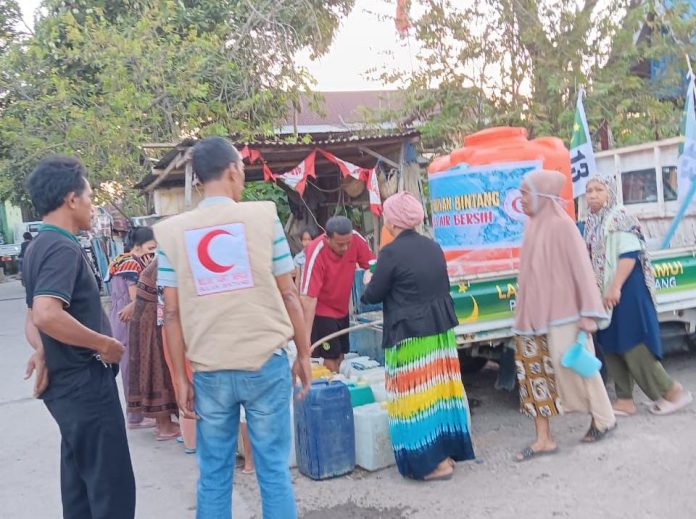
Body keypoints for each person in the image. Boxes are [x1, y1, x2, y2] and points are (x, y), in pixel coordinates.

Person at [154, 137, 312, 519]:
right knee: (273, 471)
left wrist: (179, 378)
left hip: (210, 370)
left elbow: (171, 315)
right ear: (232, 171)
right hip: (265, 364)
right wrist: (305, 353)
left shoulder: (171, 233)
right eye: (241, 172)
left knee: (213, 473)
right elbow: (289, 294)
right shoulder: (262, 217)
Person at [22, 155, 135, 518]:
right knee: (111, 490)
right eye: (89, 196)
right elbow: (44, 314)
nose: (92, 205)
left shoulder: (38, 246)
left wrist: (42, 349)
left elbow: (33, 320)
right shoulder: (59, 247)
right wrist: (104, 344)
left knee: (81, 490)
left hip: (68, 387)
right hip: (84, 385)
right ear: (71, 199)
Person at [361, 191, 475, 481]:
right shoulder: (432, 246)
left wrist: (367, 280)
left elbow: (372, 295)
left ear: (393, 220)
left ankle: (432, 463)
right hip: (439, 334)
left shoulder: (391, 252)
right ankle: (446, 453)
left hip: (411, 336)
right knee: (439, 393)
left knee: (415, 398)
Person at [513, 169, 616, 461]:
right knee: (556, 372)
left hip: (567, 313)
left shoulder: (562, 226)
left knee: (578, 368)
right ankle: (595, 419)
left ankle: (604, 418)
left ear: (542, 195)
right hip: (538, 315)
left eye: (524, 193)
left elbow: (582, 272)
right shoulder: (534, 225)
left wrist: (588, 314)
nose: (520, 199)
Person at [584, 175, 692, 415]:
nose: (592, 195)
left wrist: (615, 287)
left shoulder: (621, 218)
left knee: (632, 343)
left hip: (627, 289)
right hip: (605, 292)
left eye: (598, 189)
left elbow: (629, 255)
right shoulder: (593, 220)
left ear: (610, 192)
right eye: (589, 190)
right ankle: (624, 399)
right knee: (610, 341)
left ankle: (672, 392)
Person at [301, 216, 375, 372]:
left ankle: (338, 382)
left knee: (341, 355)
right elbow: (308, 298)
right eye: (340, 244)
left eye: (348, 243)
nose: (346, 248)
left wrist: (370, 277)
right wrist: (305, 337)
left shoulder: (355, 239)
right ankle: (332, 389)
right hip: (323, 312)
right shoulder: (316, 251)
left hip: (342, 310)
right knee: (330, 358)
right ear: (327, 239)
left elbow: (373, 265)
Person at [106, 226, 157, 428]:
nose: (152, 252)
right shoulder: (132, 265)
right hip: (128, 319)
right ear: (137, 247)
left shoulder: (120, 260)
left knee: (129, 364)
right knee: (131, 366)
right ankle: (135, 417)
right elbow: (136, 298)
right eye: (150, 247)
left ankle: (136, 414)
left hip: (117, 316)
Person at [127, 260, 180, 440]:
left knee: (152, 367)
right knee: (158, 368)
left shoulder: (159, 260)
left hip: (144, 316)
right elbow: (167, 302)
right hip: (153, 318)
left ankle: (162, 424)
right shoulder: (167, 260)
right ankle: (165, 426)